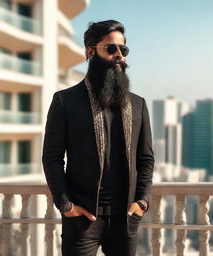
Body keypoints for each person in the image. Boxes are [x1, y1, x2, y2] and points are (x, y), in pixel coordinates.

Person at [42, 20, 154, 256]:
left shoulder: (137, 104)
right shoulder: (65, 101)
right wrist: (66, 205)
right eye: (110, 48)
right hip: (82, 220)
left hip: (125, 220)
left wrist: (142, 201)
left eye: (123, 50)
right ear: (90, 51)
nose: (119, 56)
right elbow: (52, 157)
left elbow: (146, 159)